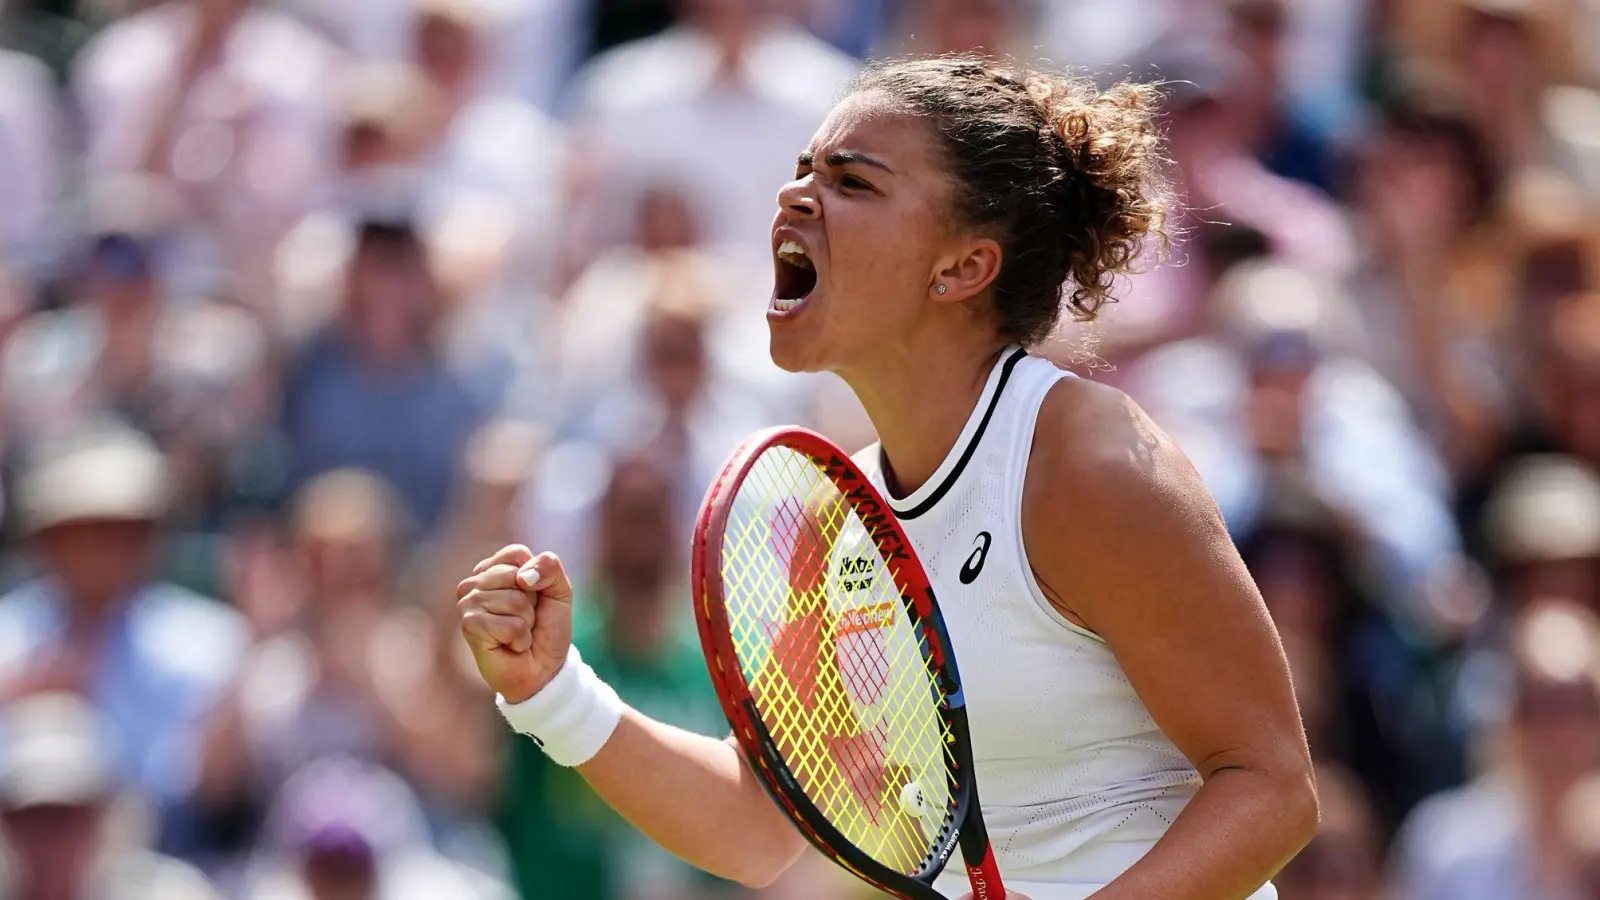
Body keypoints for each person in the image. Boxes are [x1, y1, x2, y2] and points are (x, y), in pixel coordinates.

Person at [457, 55, 1316, 899]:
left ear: (962, 267)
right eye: (801, 172)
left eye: (852, 183)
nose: (796, 196)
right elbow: (759, 827)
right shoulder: (836, 520)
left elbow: (1272, 788)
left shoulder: (1084, 462)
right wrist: (550, 692)